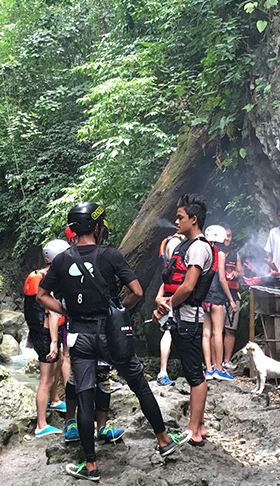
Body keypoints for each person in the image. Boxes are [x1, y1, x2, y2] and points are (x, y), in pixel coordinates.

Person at [38, 202, 184, 480]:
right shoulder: (111, 256)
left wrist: (68, 311)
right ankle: (164, 441)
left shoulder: (61, 260)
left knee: (84, 395)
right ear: (96, 226)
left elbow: (42, 296)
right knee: (140, 385)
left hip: (79, 336)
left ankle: (91, 467)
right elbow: (138, 291)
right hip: (111, 333)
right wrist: (119, 310)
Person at [154, 193, 216, 446]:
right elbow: (170, 278)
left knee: (194, 374)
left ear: (193, 219)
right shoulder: (183, 245)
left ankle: (193, 430)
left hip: (189, 317)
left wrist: (166, 307)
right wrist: (160, 299)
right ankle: (198, 425)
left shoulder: (200, 247)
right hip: (178, 315)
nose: (176, 221)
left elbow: (189, 286)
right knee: (192, 371)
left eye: (180, 217)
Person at [25, 239, 71, 437]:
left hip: (38, 332)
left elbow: (30, 309)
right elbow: (51, 313)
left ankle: (54, 400)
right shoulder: (49, 279)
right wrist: (54, 342)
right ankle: (41, 425)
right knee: (47, 378)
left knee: (59, 362)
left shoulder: (37, 276)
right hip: (46, 334)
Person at [202, 225, 234, 381]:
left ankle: (208, 369)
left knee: (206, 333)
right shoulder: (219, 253)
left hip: (204, 298)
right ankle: (219, 369)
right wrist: (231, 300)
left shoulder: (204, 251)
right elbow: (221, 278)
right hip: (217, 298)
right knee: (217, 333)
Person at [155, 233, 184, 386]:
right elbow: (174, 274)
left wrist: (159, 296)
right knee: (169, 330)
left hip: (172, 292)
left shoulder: (177, 242)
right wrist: (160, 297)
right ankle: (162, 372)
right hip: (175, 294)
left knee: (172, 331)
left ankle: (164, 372)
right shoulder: (176, 243)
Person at [221, 227, 243, 371]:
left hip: (234, 295)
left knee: (230, 329)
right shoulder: (215, 254)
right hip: (219, 297)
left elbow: (241, 272)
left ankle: (226, 361)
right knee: (215, 331)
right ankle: (213, 363)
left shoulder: (235, 255)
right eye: (224, 236)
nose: (227, 239)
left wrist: (235, 273)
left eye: (229, 236)